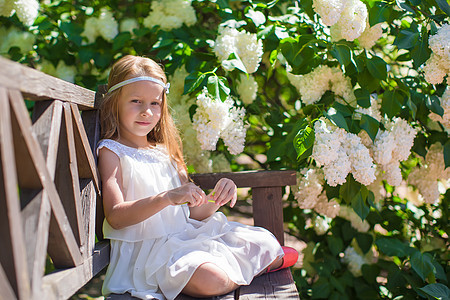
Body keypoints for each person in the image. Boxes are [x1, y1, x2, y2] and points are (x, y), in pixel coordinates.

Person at [97, 55, 297, 300]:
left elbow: (192, 213)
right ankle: (253, 267)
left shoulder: (164, 151)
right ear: (115, 102)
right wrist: (167, 197)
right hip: (149, 254)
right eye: (136, 101)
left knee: (265, 241)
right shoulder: (112, 151)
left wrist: (218, 197)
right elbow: (116, 217)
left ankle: (261, 261)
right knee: (213, 279)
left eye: (155, 103)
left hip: (185, 238)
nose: (146, 111)